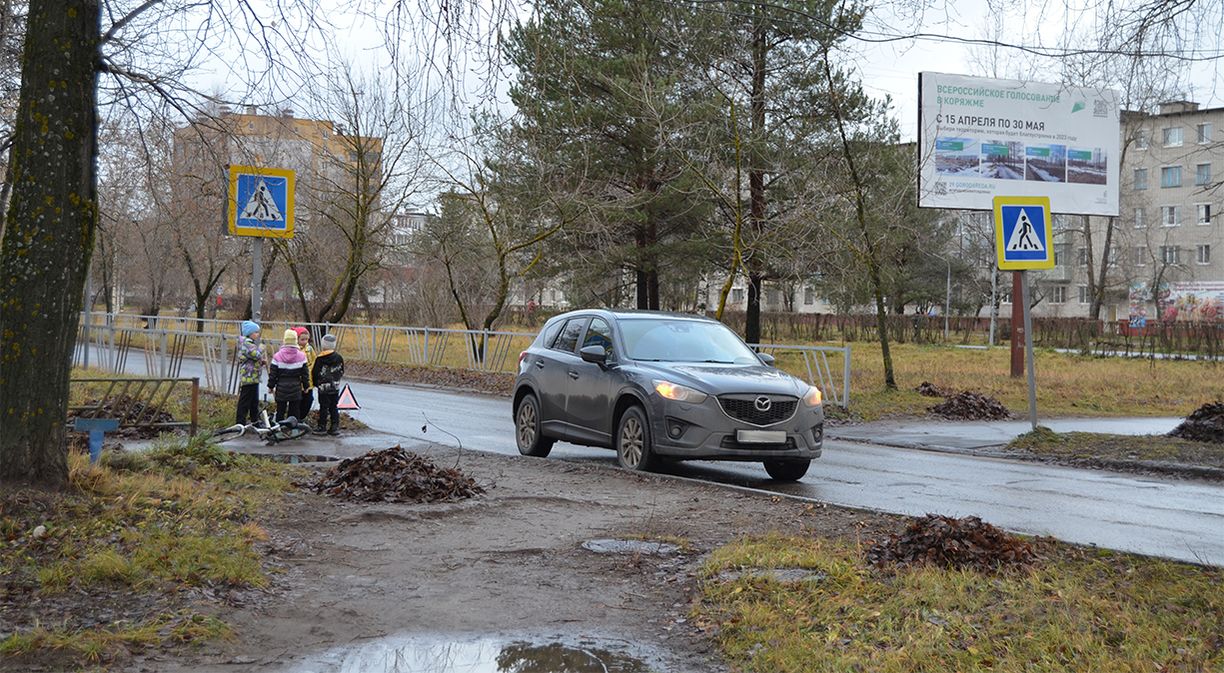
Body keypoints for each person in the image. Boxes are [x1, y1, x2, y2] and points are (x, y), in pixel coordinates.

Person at [268, 329, 308, 423]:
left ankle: (279, 429)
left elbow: (273, 374)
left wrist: (271, 386)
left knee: (280, 411)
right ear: (296, 340)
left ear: (284, 340)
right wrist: (306, 386)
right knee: (294, 411)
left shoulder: (277, 356)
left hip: (281, 388)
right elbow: (305, 374)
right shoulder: (302, 356)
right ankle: (294, 430)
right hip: (296, 387)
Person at [311, 334, 346, 435]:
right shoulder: (339, 357)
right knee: (334, 406)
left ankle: (322, 426)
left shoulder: (320, 359)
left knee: (323, 407)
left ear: (323, 345)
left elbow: (315, 372)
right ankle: (334, 426)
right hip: (335, 386)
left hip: (323, 387)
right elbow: (341, 370)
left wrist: (315, 383)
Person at [235, 321, 266, 425]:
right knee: (245, 400)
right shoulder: (247, 343)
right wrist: (261, 349)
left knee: (254, 400)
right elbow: (255, 354)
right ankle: (240, 421)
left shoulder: (248, 343)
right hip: (249, 377)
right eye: (256, 332)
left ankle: (254, 419)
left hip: (253, 376)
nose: (258, 334)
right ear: (250, 333)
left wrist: (261, 362)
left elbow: (252, 359)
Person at [293, 327, 317, 422]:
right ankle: (296, 418)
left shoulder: (309, 349)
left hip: (308, 380)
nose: (304, 341)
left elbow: (314, 361)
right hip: (297, 382)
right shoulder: (294, 349)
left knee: (308, 400)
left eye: (306, 339)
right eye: (302, 339)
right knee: (297, 401)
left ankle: (302, 417)